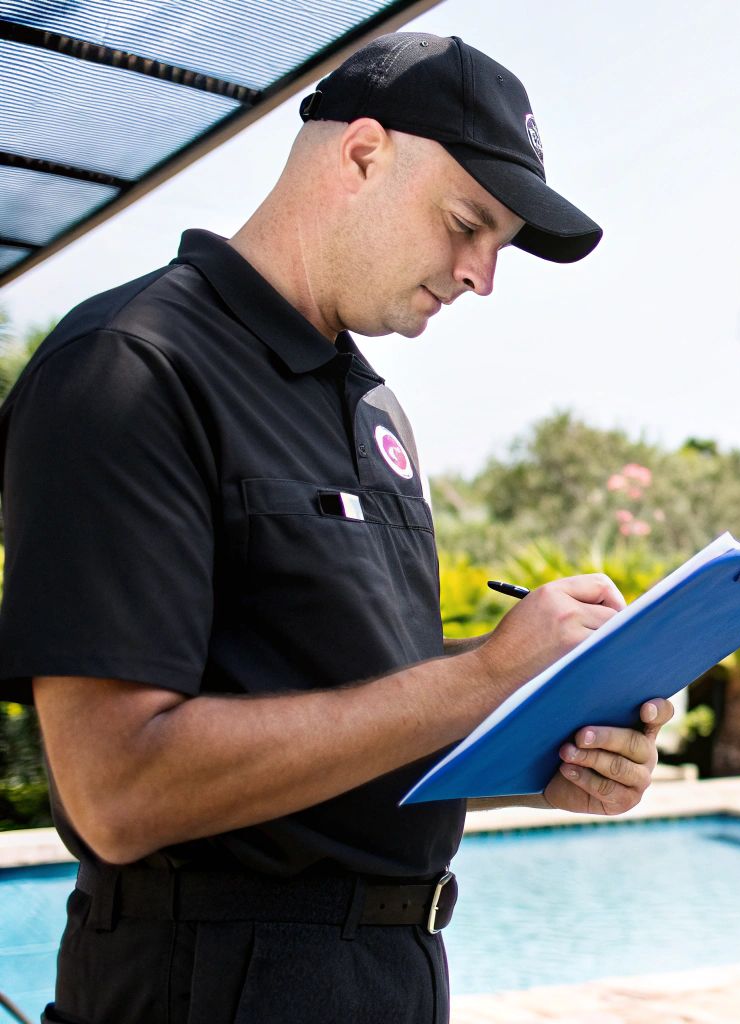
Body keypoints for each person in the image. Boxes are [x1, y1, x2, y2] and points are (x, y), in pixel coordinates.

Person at [0, 33, 672, 1024]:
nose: (481, 275)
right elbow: (117, 787)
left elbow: (352, 717)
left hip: (390, 979)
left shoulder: (372, 411)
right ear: (361, 154)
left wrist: (540, 756)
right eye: (465, 223)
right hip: (207, 989)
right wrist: (481, 674)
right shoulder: (131, 366)